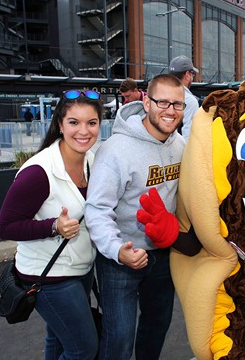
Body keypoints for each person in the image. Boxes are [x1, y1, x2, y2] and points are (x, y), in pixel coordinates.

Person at [85, 74, 186, 360]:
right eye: (162, 101)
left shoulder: (180, 146)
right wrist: (118, 251)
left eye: (177, 104)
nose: (170, 110)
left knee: (156, 329)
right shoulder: (115, 150)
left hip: (164, 257)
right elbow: (97, 208)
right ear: (146, 101)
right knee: (119, 339)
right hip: (121, 260)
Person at [0, 89, 103, 359]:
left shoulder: (92, 160)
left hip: (80, 269)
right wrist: (53, 226)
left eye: (91, 122)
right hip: (50, 277)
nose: (84, 131)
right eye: (74, 122)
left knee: (58, 338)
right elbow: (5, 226)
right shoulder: (38, 172)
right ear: (60, 124)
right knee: (83, 349)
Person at [169, 55, 199, 142]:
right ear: (187, 75)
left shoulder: (158, 95)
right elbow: (189, 135)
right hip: (178, 152)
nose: (192, 78)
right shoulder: (190, 101)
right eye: (192, 74)